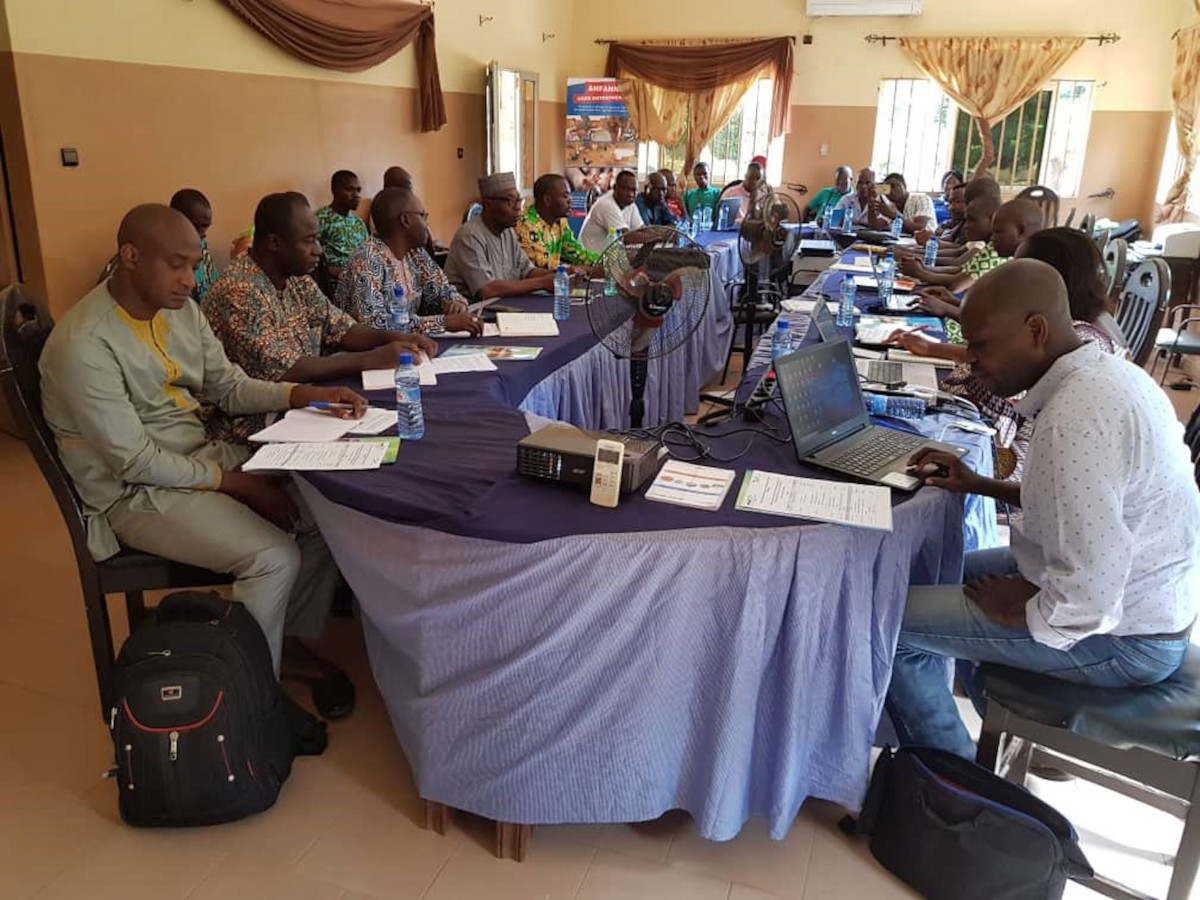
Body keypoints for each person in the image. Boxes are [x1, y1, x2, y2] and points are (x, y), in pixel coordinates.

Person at [40, 204, 366, 715]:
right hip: (135, 495)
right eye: (176, 265)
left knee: (326, 502)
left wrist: (299, 394)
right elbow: (134, 461)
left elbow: (227, 386)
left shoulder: (179, 310)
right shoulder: (84, 344)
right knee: (272, 557)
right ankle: (250, 699)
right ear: (130, 256)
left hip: (195, 456)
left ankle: (280, 646)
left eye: (194, 265)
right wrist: (239, 484)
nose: (190, 281)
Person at [885, 259, 1200, 760]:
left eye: (981, 345)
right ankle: (979, 722)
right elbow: (1082, 507)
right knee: (932, 576)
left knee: (886, 620)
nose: (971, 360)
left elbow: (1091, 600)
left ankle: (954, 781)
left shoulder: (1075, 417)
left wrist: (1026, 613)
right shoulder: (1106, 374)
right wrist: (979, 483)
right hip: (1140, 600)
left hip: (1125, 635)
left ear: (1035, 330)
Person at [889, 227, 1127, 480]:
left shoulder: (1074, 384)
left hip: (994, 456)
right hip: (981, 445)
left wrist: (971, 466)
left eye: (1019, 267)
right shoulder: (1068, 342)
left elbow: (1022, 472)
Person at [202, 192, 436, 444]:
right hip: (249, 422)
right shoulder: (240, 291)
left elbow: (342, 328)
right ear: (274, 242)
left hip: (305, 400)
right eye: (309, 241)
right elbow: (285, 369)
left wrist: (396, 337)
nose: (319, 251)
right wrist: (373, 358)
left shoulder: (296, 279)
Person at [337, 188, 482, 336]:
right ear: (405, 220)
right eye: (423, 216)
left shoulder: (416, 254)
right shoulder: (365, 260)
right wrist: (443, 323)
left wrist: (456, 304)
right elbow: (373, 324)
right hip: (365, 354)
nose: (427, 225)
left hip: (405, 345)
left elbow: (444, 290)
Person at [444, 172, 556, 301]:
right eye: (510, 201)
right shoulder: (469, 236)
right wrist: (541, 283)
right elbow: (488, 290)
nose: (517, 207)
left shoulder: (507, 232)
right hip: (471, 312)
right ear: (488, 204)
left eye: (518, 200)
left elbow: (527, 271)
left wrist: (559, 276)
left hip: (504, 305)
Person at [515, 173, 600, 272]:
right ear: (547, 200)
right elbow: (543, 264)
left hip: (554, 282)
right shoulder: (527, 224)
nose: (570, 201)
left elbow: (575, 253)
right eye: (565, 196)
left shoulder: (560, 222)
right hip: (530, 283)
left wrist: (604, 262)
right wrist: (588, 270)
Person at [315, 170, 368, 286]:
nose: (356, 195)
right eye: (349, 189)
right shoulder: (321, 219)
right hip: (335, 283)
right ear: (334, 191)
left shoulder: (358, 223)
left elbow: (367, 253)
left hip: (361, 279)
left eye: (358, 190)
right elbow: (314, 261)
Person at [579, 169, 644, 254]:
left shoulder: (630, 205)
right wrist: (658, 237)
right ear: (615, 188)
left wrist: (661, 234)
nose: (631, 194)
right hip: (589, 259)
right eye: (626, 189)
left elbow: (642, 229)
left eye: (634, 190)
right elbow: (625, 237)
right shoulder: (606, 205)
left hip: (607, 260)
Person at [722, 157, 772, 225]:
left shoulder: (763, 197)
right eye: (751, 177)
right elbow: (721, 220)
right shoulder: (730, 194)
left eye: (758, 178)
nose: (754, 182)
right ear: (745, 176)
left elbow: (768, 219)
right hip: (733, 233)